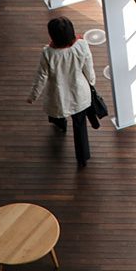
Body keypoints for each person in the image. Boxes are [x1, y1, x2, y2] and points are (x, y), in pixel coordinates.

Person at [27, 17, 97, 168]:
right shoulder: (82, 46)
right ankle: (82, 157)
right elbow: (88, 69)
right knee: (80, 125)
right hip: (79, 94)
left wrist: (33, 96)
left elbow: (41, 76)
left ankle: (60, 125)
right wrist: (91, 82)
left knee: (57, 112)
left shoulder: (48, 53)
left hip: (58, 94)